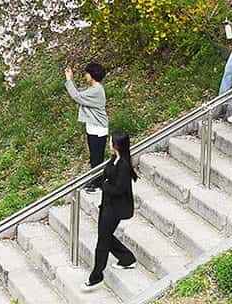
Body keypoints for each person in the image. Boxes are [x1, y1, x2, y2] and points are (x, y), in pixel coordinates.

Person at [80, 133, 138, 291]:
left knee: (103, 242)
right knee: (104, 236)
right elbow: (107, 177)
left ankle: (96, 276)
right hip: (107, 205)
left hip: (115, 209)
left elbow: (119, 189)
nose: (109, 144)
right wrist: (104, 182)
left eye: (111, 142)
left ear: (117, 145)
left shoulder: (124, 165)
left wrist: (104, 185)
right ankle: (127, 258)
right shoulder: (115, 159)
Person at [65, 62, 108, 192]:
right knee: (94, 157)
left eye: (87, 73)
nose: (85, 76)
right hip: (93, 128)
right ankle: (96, 181)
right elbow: (78, 92)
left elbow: (76, 96)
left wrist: (68, 80)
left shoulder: (96, 90)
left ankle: (98, 183)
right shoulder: (93, 89)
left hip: (98, 129)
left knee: (96, 158)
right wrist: (71, 80)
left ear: (92, 75)